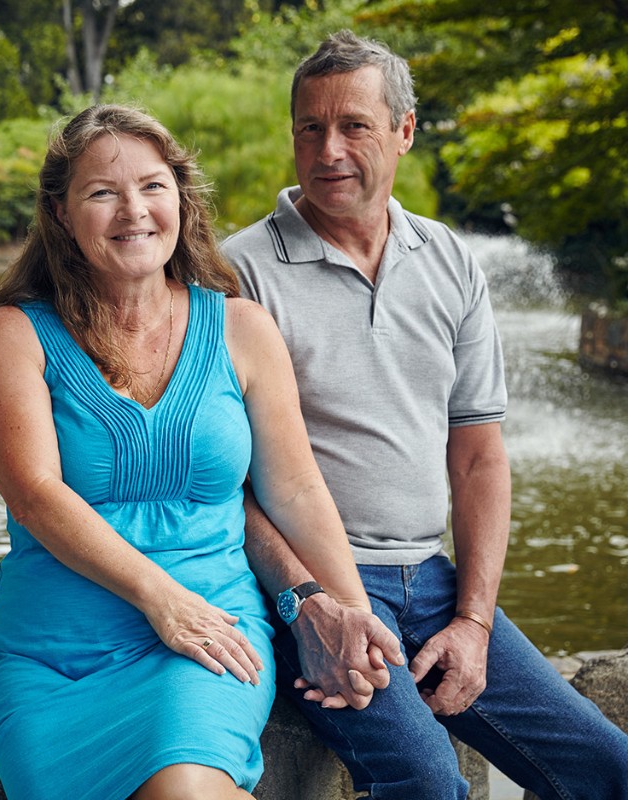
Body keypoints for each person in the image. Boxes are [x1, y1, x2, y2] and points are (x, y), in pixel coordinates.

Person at [220, 30, 628, 799]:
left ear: (405, 132)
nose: (328, 148)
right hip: (317, 585)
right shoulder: (239, 271)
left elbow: (478, 457)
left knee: (610, 769)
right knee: (430, 787)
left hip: (433, 580)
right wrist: (306, 603)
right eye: (310, 127)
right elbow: (221, 480)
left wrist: (473, 622)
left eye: (354, 126)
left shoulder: (449, 260)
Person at [0, 104, 391, 799]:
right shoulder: (16, 334)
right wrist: (160, 598)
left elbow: (298, 489)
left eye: (153, 186)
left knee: (186, 788)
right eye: (103, 192)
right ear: (62, 213)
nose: (134, 210)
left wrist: (346, 609)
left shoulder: (242, 329)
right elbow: (35, 494)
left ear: (182, 200)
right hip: (57, 651)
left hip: (211, 631)